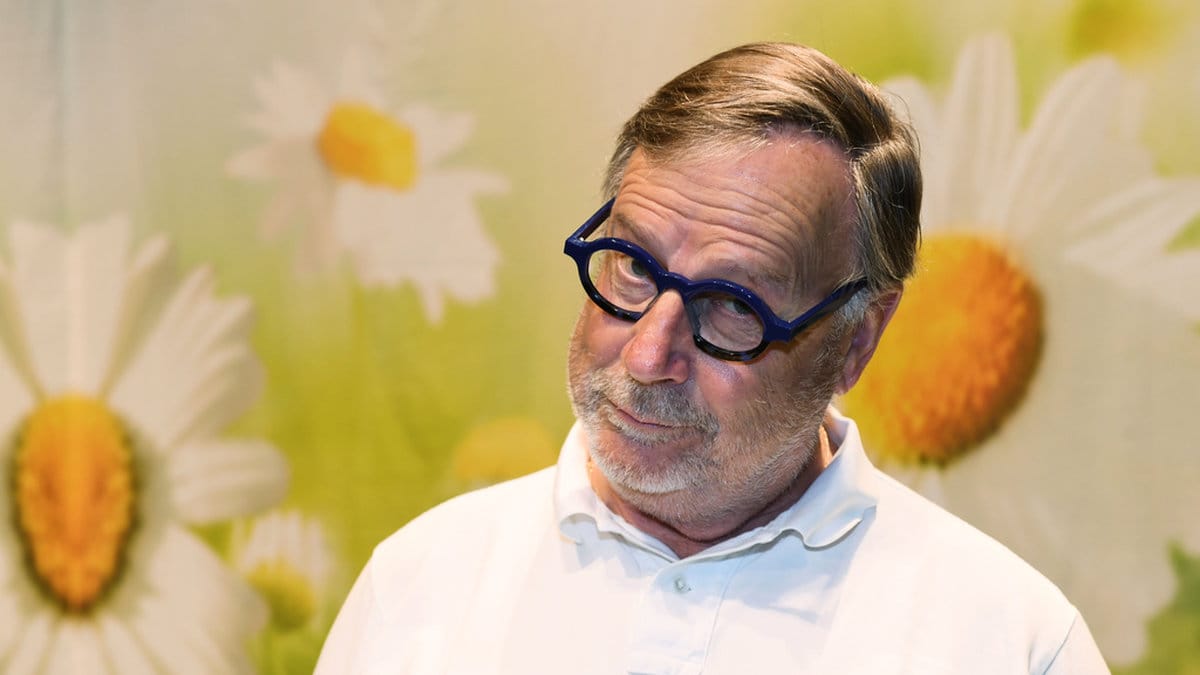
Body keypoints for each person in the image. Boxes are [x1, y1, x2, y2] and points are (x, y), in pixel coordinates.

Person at [316, 42, 1109, 674]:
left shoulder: (1011, 643)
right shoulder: (418, 589)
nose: (647, 353)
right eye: (632, 264)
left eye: (732, 305)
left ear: (856, 340)